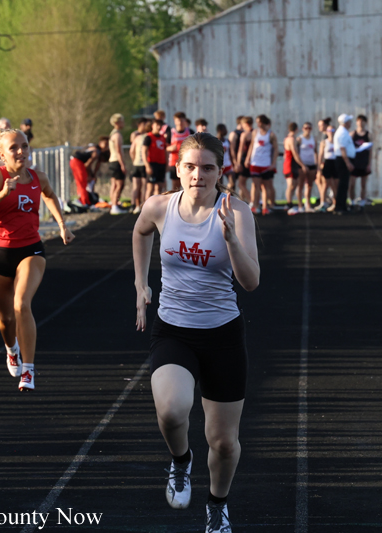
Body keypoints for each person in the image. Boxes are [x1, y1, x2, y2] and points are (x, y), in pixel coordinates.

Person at [132, 132, 259, 533]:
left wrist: (232, 242)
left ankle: (217, 504)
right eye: (190, 166)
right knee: (171, 410)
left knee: (223, 442)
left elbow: (252, 282)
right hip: (173, 330)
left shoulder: (236, 212)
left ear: (221, 171)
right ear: (178, 169)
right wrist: (141, 283)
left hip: (222, 334)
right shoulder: (159, 206)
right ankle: (181, 461)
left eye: (207, 168)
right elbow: (139, 232)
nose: (198, 175)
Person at [0, 128, 74, 391]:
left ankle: (28, 370)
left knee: (21, 304)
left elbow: (49, 195)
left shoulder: (38, 177)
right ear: (1, 153)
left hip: (31, 250)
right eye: (14, 148)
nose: (21, 152)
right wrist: (2, 194)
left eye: (24, 146)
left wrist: (62, 224)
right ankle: (11, 348)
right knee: (5, 318)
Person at [245, 114, 278, 216]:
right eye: (257, 122)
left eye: (259, 122)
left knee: (265, 186)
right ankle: (255, 206)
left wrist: (273, 163)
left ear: (264, 122)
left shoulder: (271, 134)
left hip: (265, 164)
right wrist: (247, 158)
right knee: (256, 185)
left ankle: (265, 207)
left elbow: (276, 149)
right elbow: (251, 145)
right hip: (255, 163)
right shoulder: (255, 132)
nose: (258, 124)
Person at [333, 113, 356, 214]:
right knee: (343, 184)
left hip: (343, 160)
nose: (350, 123)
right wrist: (347, 162)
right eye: (349, 121)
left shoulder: (344, 132)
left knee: (344, 184)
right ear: (346, 123)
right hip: (343, 161)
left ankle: (342, 206)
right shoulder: (342, 133)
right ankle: (340, 207)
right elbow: (342, 149)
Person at [283, 122, 308, 214]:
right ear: (297, 129)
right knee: (291, 185)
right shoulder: (291, 139)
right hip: (290, 165)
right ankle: (289, 204)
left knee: (295, 184)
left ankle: (289, 204)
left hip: (291, 164)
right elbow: (295, 153)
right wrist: (303, 165)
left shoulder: (290, 139)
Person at [108, 113, 128, 214]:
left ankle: (113, 204)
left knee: (114, 184)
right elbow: (119, 151)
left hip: (112, 161)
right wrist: (122, 164)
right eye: (122, 121)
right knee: (119, 184)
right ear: (117, 123)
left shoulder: (112, 134)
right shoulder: (117, 135)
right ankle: (115, 205)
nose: (123, 123)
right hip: (116, 161)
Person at [143, 118, 168, 198]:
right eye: (157, 125)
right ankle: (146, 207)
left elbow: (165, 151)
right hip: (152, 164)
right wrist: (147, 165)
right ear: (153, 126)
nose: (159, 127)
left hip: (161, 164)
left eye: (160, 125)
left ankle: (157, 207)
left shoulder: (163, 138)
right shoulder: (149, 137)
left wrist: (167, 164)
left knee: (159, 187)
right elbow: (143, 152)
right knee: (150, 187)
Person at [130, 118, 151, 214]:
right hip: (143, 164)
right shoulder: (149, 137)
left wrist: (134, 160)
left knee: (136, 186)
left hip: (136, 164)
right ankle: (143, 205)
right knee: (145, 187)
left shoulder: (137, 138)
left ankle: (136, 205)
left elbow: (131, 151)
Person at [167, 112, 192, 192]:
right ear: (175, 121)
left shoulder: (190, 132)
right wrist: (171, 148)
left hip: (188, 162)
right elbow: (165, 147)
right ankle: (174, 203)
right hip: (174, 162)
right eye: (178, 120)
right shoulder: (171, 133)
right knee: (175, 186)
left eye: (182, 120)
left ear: (185, 121)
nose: (180, 122)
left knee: (187, 184)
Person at [351, 115, 373, 207]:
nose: (361, 123)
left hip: (364, 162)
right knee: (352, 184)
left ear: (365, 122)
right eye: (359, 121)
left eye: (363, 121)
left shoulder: (368, 135)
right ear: (356, 122)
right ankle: (352, 202)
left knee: (363, 184)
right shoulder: (352, 134)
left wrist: (369, 164)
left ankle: (362, 202)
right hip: (354, 163)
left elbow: (371, 151)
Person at [297, 122, 318, 213]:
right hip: (302, 164)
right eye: (306, 128)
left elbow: (315, 151)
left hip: (311, 164)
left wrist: (317, 164)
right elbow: (296, 153)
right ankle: (300, 205)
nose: (307, 130)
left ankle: (307, 204)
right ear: (303, 129)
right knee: (300, 185)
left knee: (309, 185)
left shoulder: (314, 139)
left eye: (309, 128)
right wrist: (302, 165)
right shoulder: (300, 139)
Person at [317, 126, 337, 212]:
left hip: (335, 163)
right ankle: (323, 203)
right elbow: (320, 155)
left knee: (335, 185)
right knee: (325, 184)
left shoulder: (338, 142)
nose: (331, 132)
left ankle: (335, 203)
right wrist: (319, 168)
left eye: (332, 130)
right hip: (327, 163)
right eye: (329, 130)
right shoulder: (324, 142)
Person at [235, 116, 254, 206]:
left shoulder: (244, 134)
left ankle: (251, 201)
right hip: (255, 160)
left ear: (245, 124)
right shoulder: (256, 132)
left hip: (246, 160)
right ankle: (241, 202)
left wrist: (238, 163)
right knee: (256, 183)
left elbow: (241, 150)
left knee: (240, 183)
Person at [216, 123, 234, 189]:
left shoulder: (227, 141)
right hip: (220, 165)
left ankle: (228, 194)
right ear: (220, 130)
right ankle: (221, 197)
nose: (226, 131)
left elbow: (230, 153)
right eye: (224, 129)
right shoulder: (216, 141)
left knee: (232, 183)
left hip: (228, 165)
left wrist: (233, 163)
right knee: (220, 185)